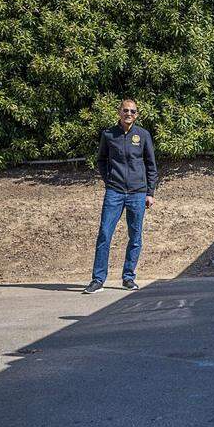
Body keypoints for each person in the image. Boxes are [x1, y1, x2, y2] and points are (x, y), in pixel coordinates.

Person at [83, 99, 158, 293]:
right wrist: (109, 181)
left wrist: (150, 192)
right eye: (126, 110)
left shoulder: (143, 135)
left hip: (138, 194)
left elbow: (151, 165)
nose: (129, 114)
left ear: (137, 115)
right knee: (105, 234)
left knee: (135, 237)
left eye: (133, 111)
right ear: (119, 112)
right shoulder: (108, 135)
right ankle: (98, 280)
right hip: (114, 192)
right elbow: (101, 160)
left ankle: (128, 277)